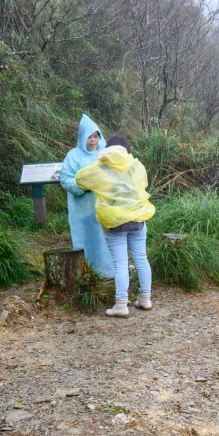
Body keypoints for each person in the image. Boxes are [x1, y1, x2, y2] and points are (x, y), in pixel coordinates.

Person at [75, 134, 155, 317]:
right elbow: (144, 184)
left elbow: (80, 180)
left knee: (120, 263)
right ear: (128, 151)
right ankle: (145, 299)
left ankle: (121, 304)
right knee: (141, 258)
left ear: (107, 150)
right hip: (138, 219)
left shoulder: (102, 166)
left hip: (114, 222)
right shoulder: (137, 165)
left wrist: (99, 163)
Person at [59, 114, 114, 278]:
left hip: (103, 206)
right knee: (84, 239)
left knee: (104, 239)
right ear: (83, 137)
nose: (93, 140)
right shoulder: (73, 155)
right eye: (89, 137)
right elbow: (65, 178)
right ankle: (85, 273)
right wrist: (82, 186)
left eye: (95, 136)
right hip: (81, 207)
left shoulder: (105, 155)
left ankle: (107, 272)